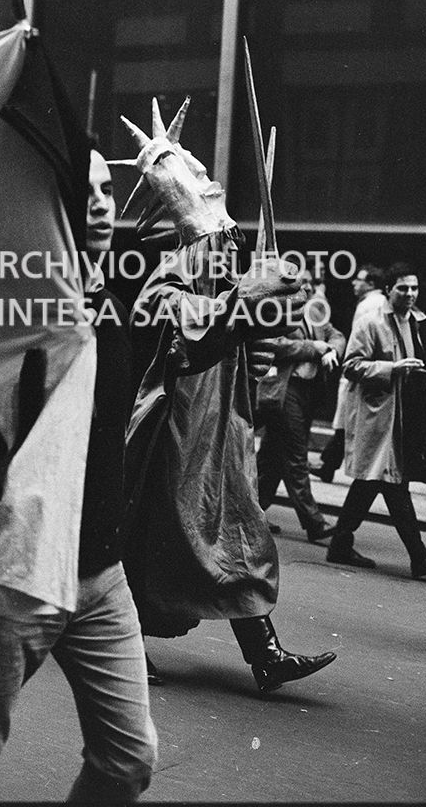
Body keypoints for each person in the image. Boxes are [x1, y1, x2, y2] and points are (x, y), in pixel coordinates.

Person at [0, 149, 157, 801]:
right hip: (13, 575)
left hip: (99, 577)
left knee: (128, 759)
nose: (103, 204)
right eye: (85, 193)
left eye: (110, 189)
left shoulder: (113, 300)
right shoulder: (10, 303)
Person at [120, 98, 337, 695]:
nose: (206, 174)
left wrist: (259, 328)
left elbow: (237, 330)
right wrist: (245, 303)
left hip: (222, 428)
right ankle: (125, 646)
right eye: (188, 168)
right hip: (177, 429)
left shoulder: (221, 269)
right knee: (161, 534)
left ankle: (265, 655)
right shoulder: (173, 271)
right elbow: (178, 326)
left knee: (241, 527)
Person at [325, 262, 426, 578]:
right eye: (403, 288)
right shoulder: (371, 322)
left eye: (414, 288)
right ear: (388, 289)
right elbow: (352, 366)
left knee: (372, 483)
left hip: (403, 414)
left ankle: (341, 543)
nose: (411, 294)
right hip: (378, 416)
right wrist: (391, 369)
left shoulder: (414, 320)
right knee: (393, 483)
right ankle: (419, 557)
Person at [256, 264, 345, 543]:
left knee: (271, 458)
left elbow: (337, 335)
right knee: (296, 455)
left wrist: (331, 349)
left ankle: (250, 513)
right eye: (300, 283)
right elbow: (272, 343)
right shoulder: (276, 310)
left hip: (308, 391)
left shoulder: (316, 310)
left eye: (309, 283)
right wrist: (313, 349)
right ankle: (314, 522)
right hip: (284, 390)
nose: (306, 288)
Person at [314, 263, 386, 483]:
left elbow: (360, 339)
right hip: (366, 372)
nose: (354, 282)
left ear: (371, 283)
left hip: (360, 372)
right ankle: (329, 464)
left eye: (359, 279)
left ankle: (330, 464)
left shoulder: (369, 305)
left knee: (346, 422)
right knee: (345, 423)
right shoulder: (376, 302)